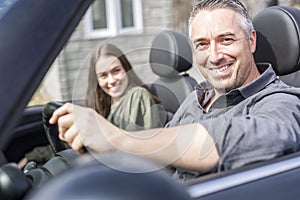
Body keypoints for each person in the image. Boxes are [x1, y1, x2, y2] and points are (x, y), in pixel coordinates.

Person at [49, 0, 300, 181]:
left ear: (251, 40)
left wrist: (116, 139)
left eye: (226, 40)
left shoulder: (282, 100)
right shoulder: (196, 98)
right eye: (202, 44)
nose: (214, 56)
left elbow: (256, 138)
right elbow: (158, 158)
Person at [18, 43, 163, 168]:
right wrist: (31, 156)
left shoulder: (138, 96)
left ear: (126, 70)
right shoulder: (103, 107)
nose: (111, 80)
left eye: (116, 71)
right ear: (97, 80)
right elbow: (69, 143)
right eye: (103, 75)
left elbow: (142, 152)